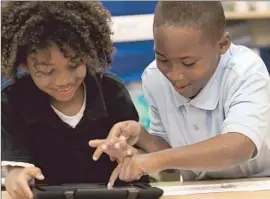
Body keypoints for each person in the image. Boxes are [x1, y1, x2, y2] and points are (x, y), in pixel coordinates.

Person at [89, 1, 270, 187]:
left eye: (189, 63)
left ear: (222, 45)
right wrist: (142, 137)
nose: (174, 75)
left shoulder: (245, 71)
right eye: (162, 59)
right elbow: (173, 158)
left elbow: (239, 147)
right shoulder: (154, 78)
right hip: (199, 191)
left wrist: (155, 160)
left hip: (261, 186)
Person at [1, 2, 147, 199]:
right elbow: (15, 168)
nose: (64, 81)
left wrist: (128, 157)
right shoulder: (11, 101)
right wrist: (16, 177)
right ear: (23, 63)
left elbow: (139, 161)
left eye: (74, 65)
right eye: (46, 70)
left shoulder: (112, 91)